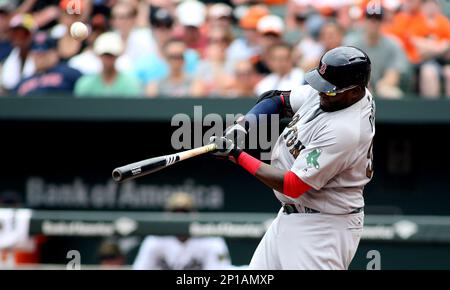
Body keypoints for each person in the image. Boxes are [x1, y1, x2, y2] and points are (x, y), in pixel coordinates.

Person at [209, 46, 375, 270]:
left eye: (329, 90)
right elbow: (275, 99)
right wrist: (243, 127)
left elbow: (292, 185)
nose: (320, 93)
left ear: (355, 92)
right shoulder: (335, 95)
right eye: (320, 85)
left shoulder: (346, 130)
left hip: (323, 228)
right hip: (291, 216)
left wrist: (237, 155)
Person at [132, 192, 231, 270]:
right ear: (167, 216)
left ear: (195, 214)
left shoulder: (211, 240)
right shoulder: (155, 239)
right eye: (175, 213)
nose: (179, 218)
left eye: (185, 212)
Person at [344, 8, 410, 99]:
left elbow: (394, 74)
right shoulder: (352, 43)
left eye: (377, 19)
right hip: (358, 86)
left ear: (382, 22)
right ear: (364, 21)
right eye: (370, 19)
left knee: (391, 93)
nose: (373, 23)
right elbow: (347, 73)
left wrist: (383, 85)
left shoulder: (393, 44)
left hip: (383, 87)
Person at [74, 32, 142, 98]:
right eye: (105, 54)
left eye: (111, 55)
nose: (108, 59)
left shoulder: (130, 84)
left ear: (117, 56)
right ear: (99, 55)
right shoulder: (85, 84)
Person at [15, 32, 82, 96]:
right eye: (37, 53)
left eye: (44, 53)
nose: (40, 57)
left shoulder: (70, 73)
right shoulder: (23, 81)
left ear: (55, 53)